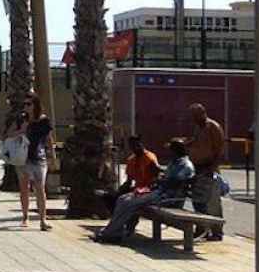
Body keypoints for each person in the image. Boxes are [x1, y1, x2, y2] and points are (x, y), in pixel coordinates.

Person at [96, 140, 195, 243]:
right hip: (159, 193)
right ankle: (114, 231)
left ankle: (110, 233)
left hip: (168, 198)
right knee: (122, 199)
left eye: (171, 150)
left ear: (176, 151)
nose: (169, 152)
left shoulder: (186, 165)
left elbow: (174, 182)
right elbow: (166, 178)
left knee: (130, 203)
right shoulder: (175, 162)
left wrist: (159, 180)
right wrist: (159, 179)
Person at [185, 103, 226, 240]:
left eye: (195, 116)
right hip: (198, 168)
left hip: (209, 168)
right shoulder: (198, 128)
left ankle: (217, 231)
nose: (193, 119)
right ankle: (202, 228)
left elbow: (219, 150)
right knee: (199, 201)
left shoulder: (213, 127)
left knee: (212, 202)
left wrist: (212, 168)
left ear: (202, 113)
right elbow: (196, 142)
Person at [19, 95, 53, 231]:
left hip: (39, 157)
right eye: (25, 104)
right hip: (23, 158)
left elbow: (49, 138)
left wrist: (53, 155)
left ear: (35, 105)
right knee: (24, 188)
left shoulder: (44, 120)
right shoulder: (22, 119)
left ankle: (42, 220)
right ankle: (25, 216)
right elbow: (9, 134)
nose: (26, 107)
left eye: (29, 104)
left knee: (40, 189)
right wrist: (22, 129)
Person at [104, 135, 160, 216]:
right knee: (109, 197)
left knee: (124, 200)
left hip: (147, 189)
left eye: (137, 145)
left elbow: (156, 178)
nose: (135, 148)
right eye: (132, 146)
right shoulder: (131, 160)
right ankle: (118, 218)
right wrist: (120, 190)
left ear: (141, 144)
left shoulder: (150, 158)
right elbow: (129, 181)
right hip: (137, 188)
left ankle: (123, 220)